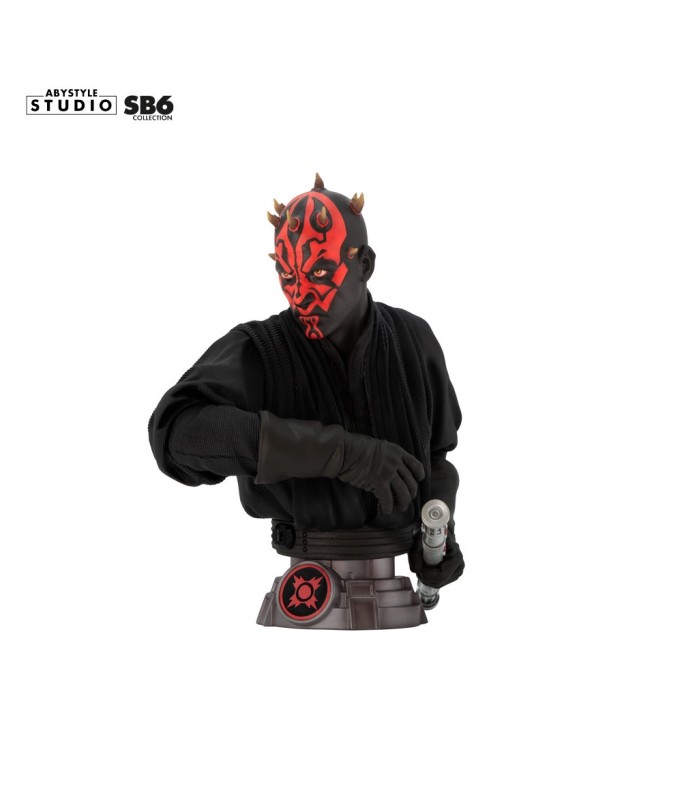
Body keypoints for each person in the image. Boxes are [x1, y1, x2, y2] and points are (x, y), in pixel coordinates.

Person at [148, 174, 464, 628]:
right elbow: (175, 433)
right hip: (302, 598)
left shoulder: (413, 340)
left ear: (364, 264)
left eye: (318, 273)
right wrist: (339, 454)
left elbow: (435, 458)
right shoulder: (261, 350)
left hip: (399, 601)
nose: (301, 295)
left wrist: (438, 529)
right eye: (287, 274)